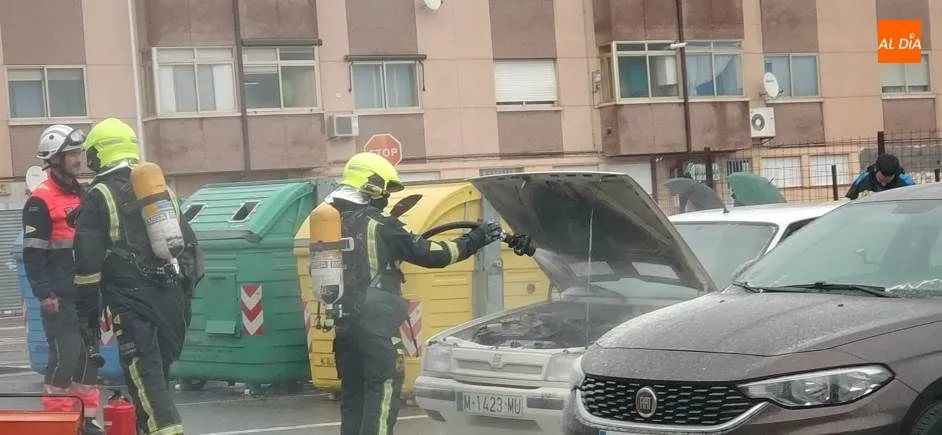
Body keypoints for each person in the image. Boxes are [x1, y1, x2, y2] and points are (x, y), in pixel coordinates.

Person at [322, 152, 531, 435]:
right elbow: (434, 255)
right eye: (385, 190)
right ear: (371, 187)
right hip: (376, 329)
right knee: (381, 398)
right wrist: (476, 238)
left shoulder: (331, 223)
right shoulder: (380, 225)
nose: (386, 198)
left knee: (354, 399)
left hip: (344, 328)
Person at [71, 118, 203, 435]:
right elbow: (190, 250)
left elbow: (87, 266)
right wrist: (182, 299)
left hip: (133, 303)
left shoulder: (99, 195)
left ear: (96, 155)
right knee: (157, 379)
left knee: (147, 381)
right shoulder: (161, 193)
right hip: (171, 301)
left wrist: (86, 315)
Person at [22, 125, 103, 434]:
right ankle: (58, 423)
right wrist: (44, 293)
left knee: (88, 362)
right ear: (54, 159)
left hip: (86, 293)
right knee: (65, 358)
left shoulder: (83, 194)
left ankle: (88, 421)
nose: (77, 159)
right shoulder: (40, 200)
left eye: (78, 153)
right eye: (70, 154)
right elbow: (33, 252)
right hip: (60, 295)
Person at [845, 153, 915, 200]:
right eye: (880, 180)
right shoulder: (864, 178)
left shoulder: (906, 182)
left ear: (896, 173)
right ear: (876, 169)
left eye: (888, 181)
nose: (883, 184)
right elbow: (848, 200)